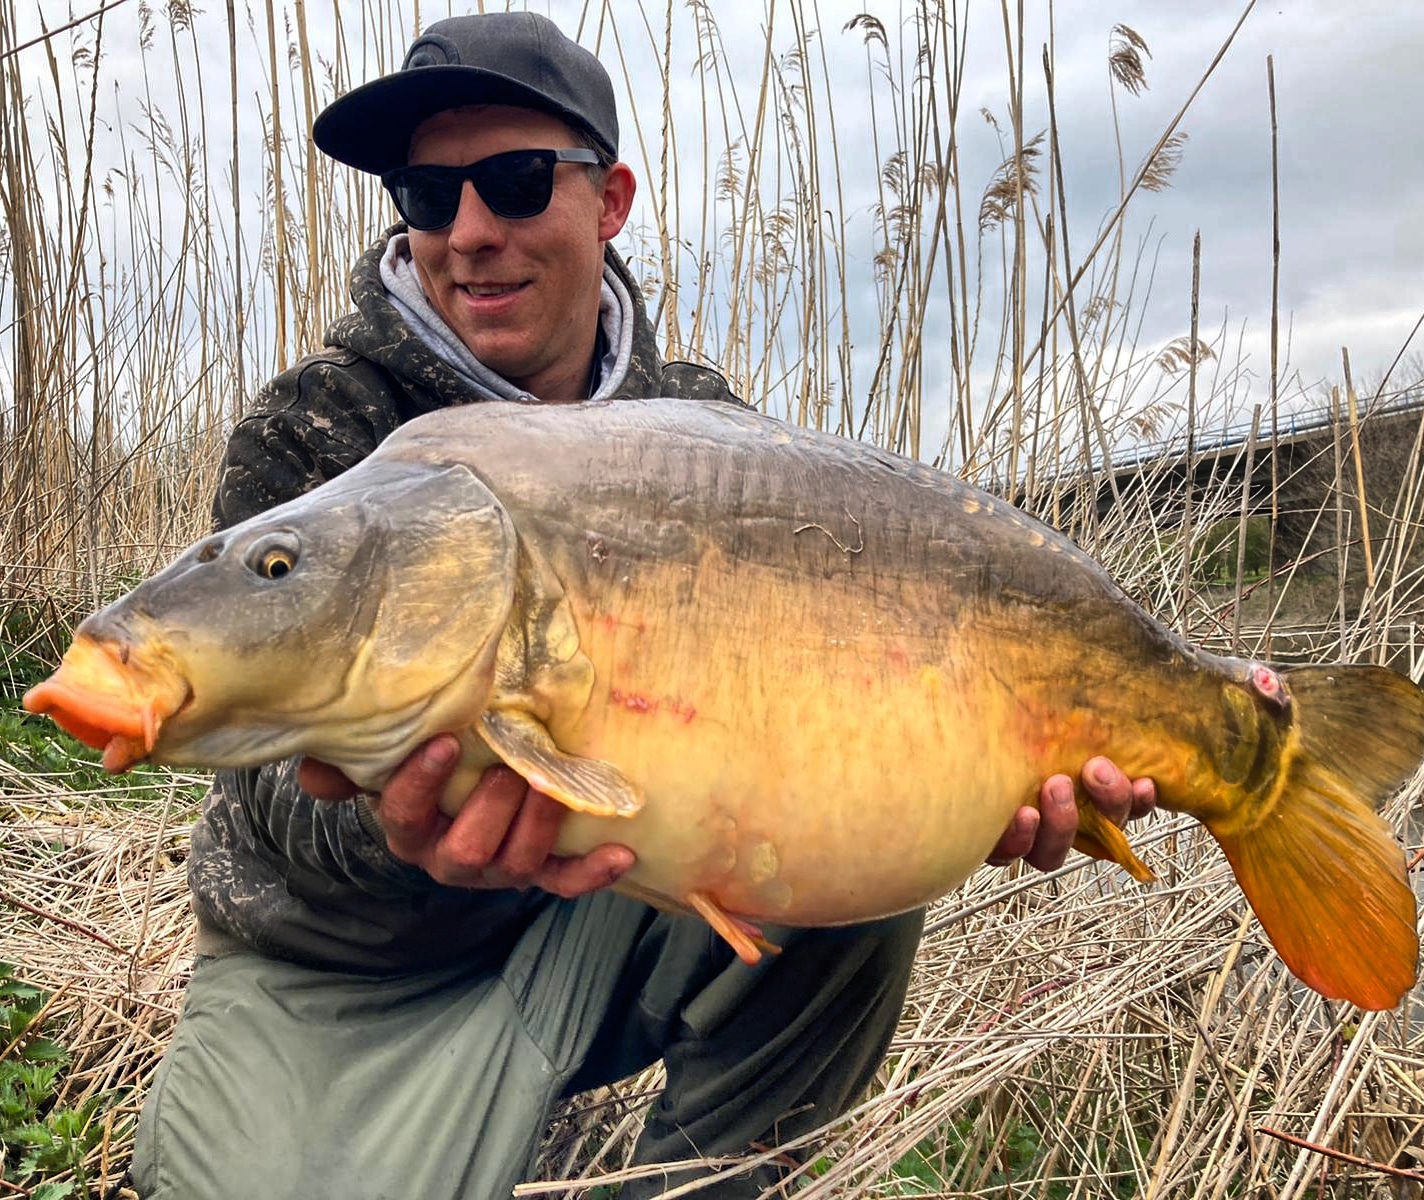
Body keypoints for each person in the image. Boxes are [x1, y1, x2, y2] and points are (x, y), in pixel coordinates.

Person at [129, 13, 1155, 1198]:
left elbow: (818, 716)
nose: (469, 233)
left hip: (612, 898)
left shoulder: (704, 436)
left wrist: (975, 776)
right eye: (426, 194)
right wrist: (401, 829)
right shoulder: (321, 427)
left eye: (518, 182)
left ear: (609, 200)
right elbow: (268, 796)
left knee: (842, 881)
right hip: (349, 963)